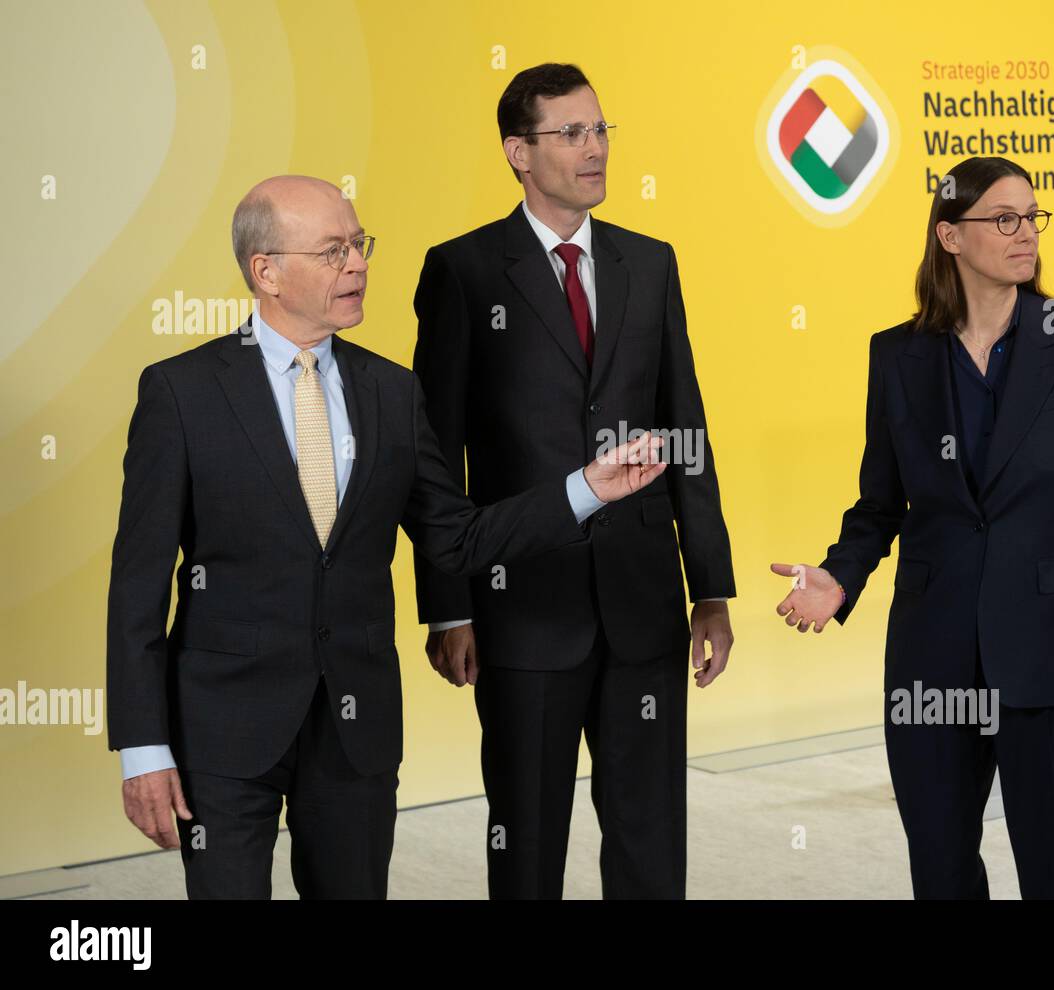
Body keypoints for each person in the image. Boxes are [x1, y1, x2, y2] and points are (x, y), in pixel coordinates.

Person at [106, 174, 664, 899]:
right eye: (333, 250)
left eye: (360, 245)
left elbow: (457, 538)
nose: (359, 264)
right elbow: (137, 587)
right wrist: (142, 749)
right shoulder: (180, 393)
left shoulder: (392, 393)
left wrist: (586, 488)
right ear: (264, 271)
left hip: (355, 729)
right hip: (223, 731)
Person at [771, 156, 1054, 899]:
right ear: (950, 237)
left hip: (1052, 649)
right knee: (943, 871)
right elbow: (880, 503)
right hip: (934, 654)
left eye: (1032, 218)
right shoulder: (897, 355)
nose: (1026, 235)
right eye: (1004, 220)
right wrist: (841, 574)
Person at [411, 63, 735, 898]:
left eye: (601, 131)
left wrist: (710, 587)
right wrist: (450, 604)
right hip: (523, 611)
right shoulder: (465, 271)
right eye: (571, 134)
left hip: (643, 608)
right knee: (526, 853)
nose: (594, 150)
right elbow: (436, 456)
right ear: (519, 153)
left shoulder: (650, 264)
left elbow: (685, 427)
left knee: (650, 847)